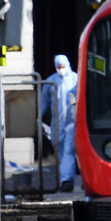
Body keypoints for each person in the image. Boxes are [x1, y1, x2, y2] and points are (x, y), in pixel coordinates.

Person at [40, 54, 78, 193]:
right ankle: (67, 178)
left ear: (67, 65)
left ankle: (66, 180)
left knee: (69, 150)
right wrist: (38, 116)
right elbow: (44, 101)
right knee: (59, 150)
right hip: (57, 123)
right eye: (58, 67)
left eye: (63, 67)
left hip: (72, 122)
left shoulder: (75, 79)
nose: (61, 69)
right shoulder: (51, 81)